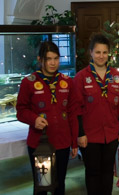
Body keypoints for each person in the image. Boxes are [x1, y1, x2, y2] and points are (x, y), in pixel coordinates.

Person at [16, 41, 79, 195]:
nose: (53, 63)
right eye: (49, 59)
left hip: (62, 142)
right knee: (41, 185)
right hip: (39, 144)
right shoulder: (29, 82)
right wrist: (34, 119)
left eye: (56, 58)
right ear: (40, 60)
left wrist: (74, 142)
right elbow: (21, 110)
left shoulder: (67, 81)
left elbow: (73, 113)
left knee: (59, 185)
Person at [73, 33, 119, 195]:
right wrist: (80, 133)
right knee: (93, 172)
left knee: (107, 171)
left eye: (104, 52)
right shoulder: (81, 77)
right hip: (89, 135)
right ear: (91, 52)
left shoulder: (117, 77)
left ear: (109, 53)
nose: (101, 56)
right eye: (98, 52)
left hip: (111, 134)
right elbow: (76, 109)